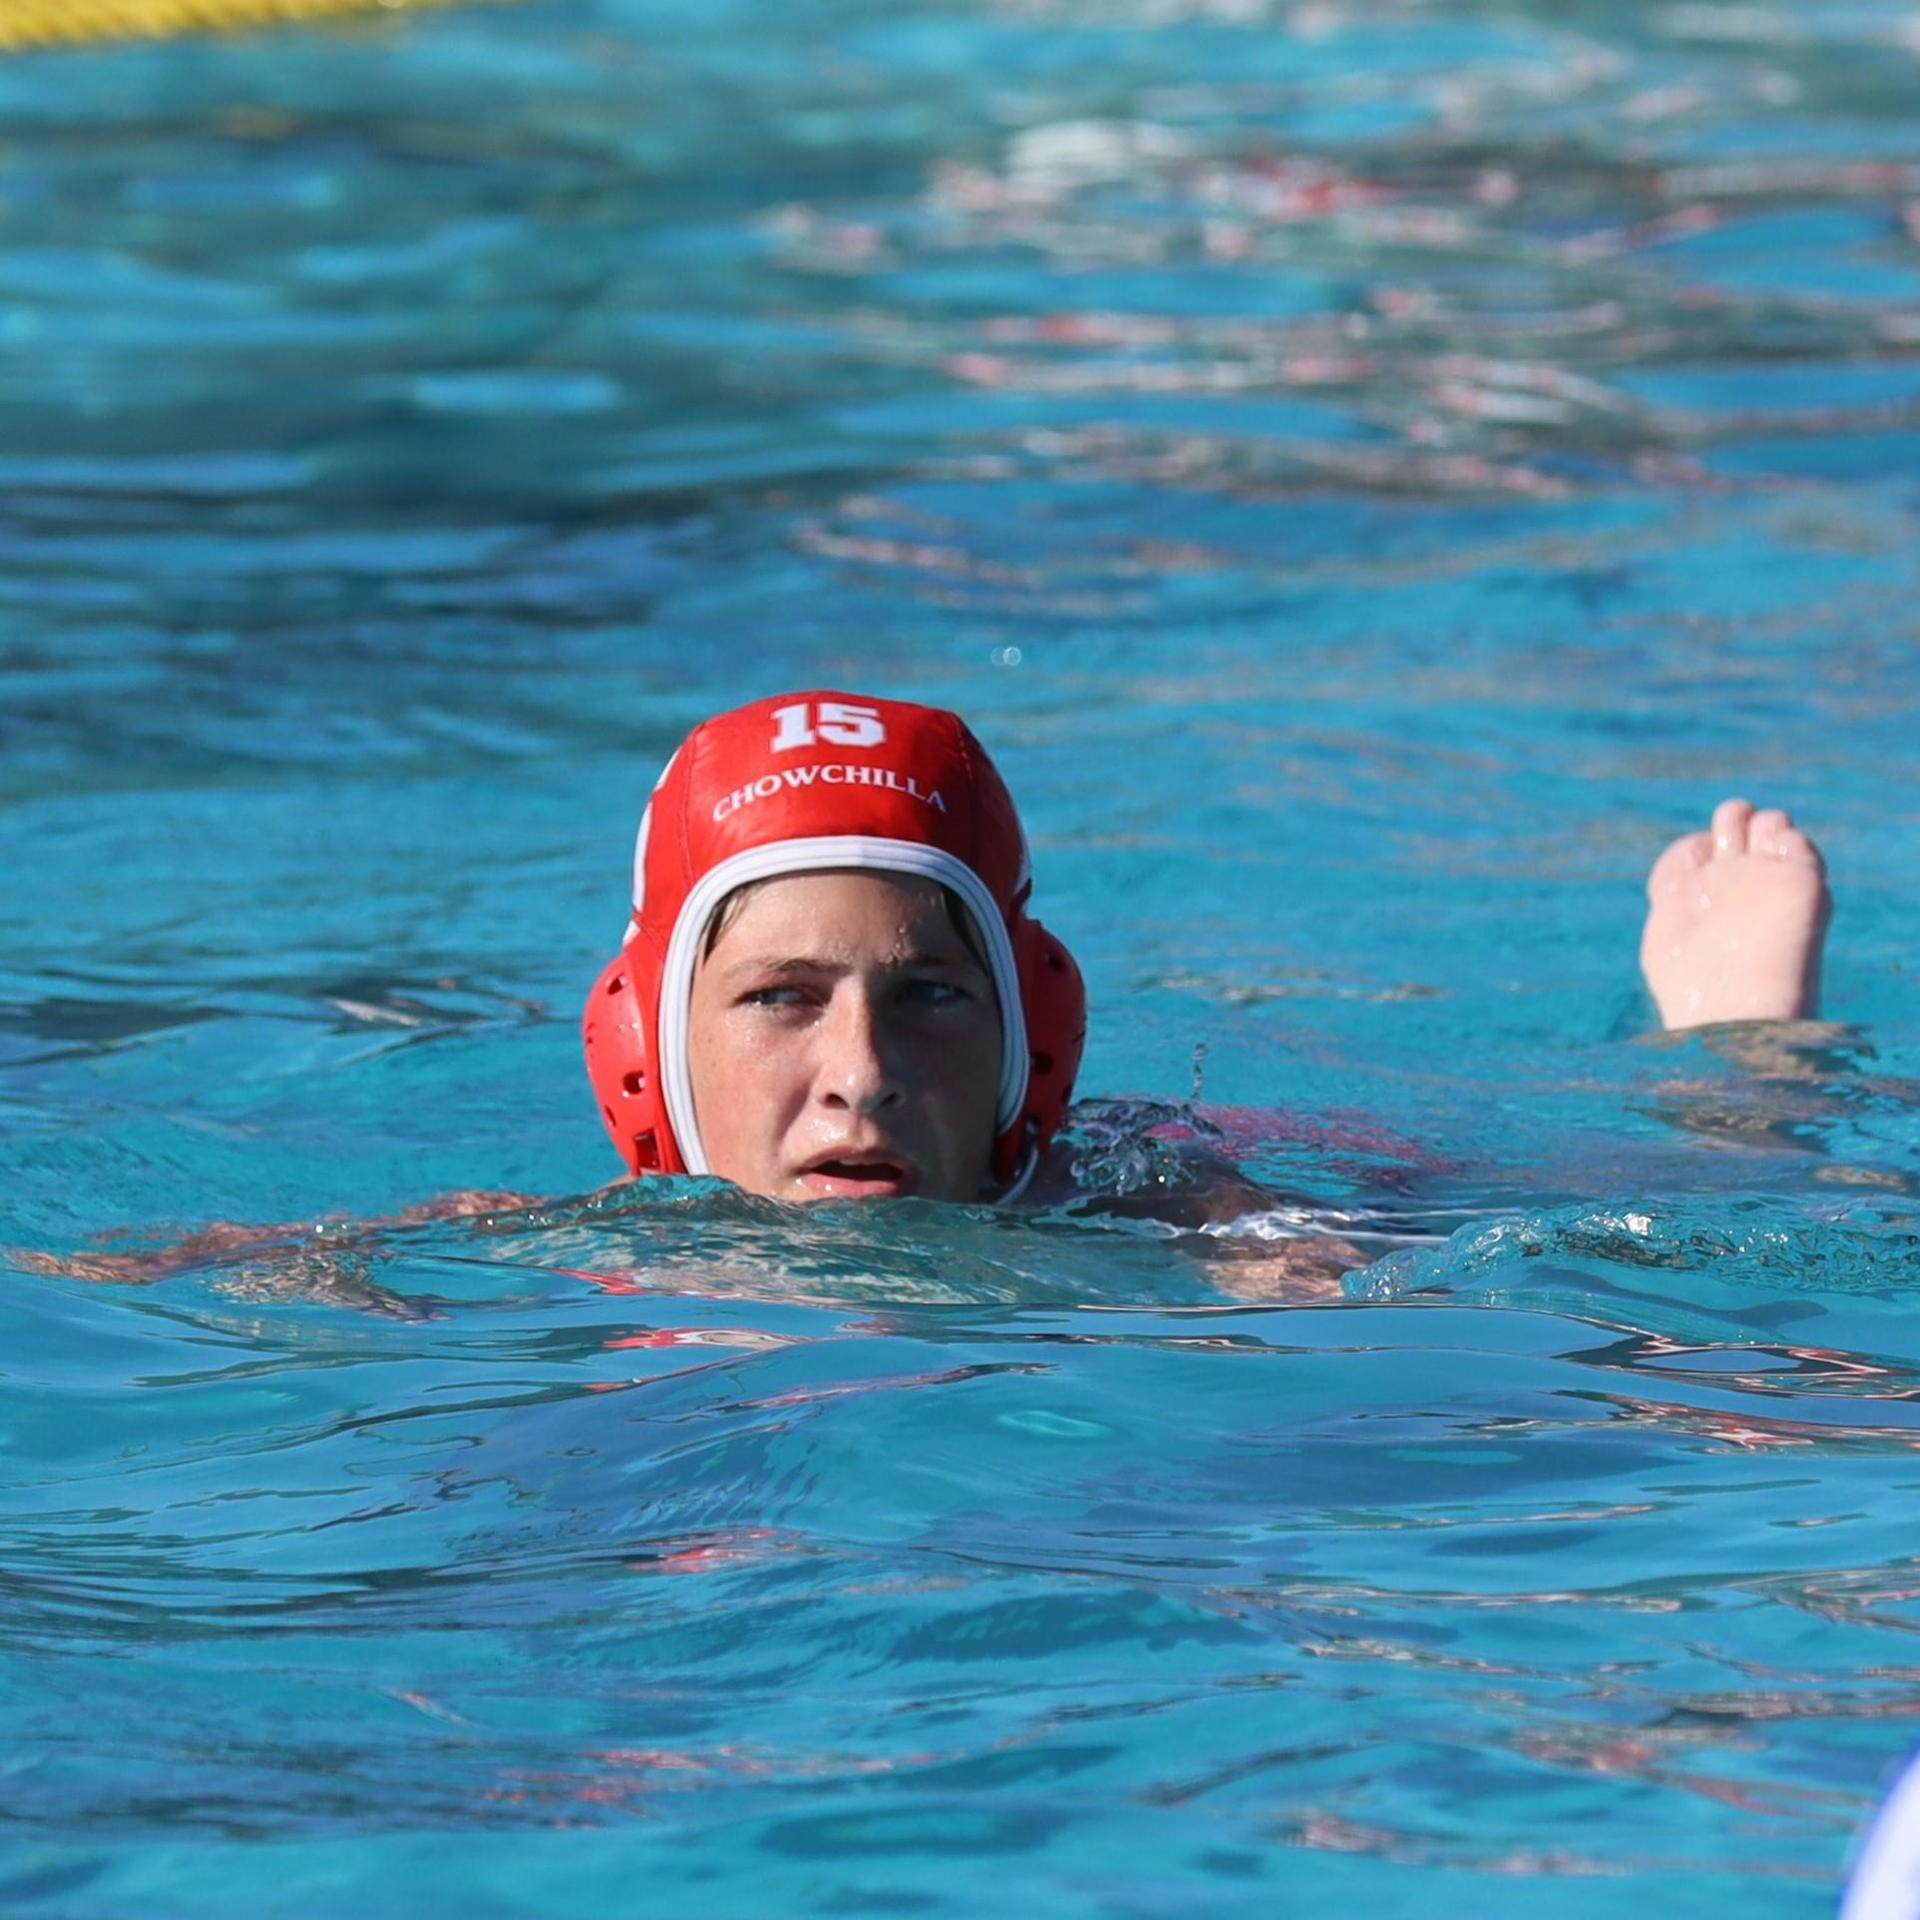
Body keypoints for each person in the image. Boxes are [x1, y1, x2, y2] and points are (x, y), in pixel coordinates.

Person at [10, 690, 1834, 1301]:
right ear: (644, 1053)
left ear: (1034, 1037)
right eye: (781, 999)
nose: (859, 1076)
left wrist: (1748, 1084)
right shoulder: (557, 1246)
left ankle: (1725, 1027)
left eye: (930, 999)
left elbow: (1685, 1271)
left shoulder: (1176, 1219)